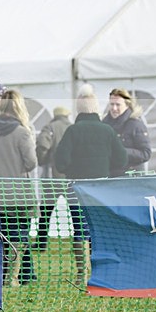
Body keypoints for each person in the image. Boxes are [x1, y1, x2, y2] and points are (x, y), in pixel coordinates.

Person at [55, 84, 127, 284]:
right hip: (101, 189)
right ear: (96, 108)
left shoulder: (72, 131)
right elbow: (122, 160)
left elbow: (60, 163)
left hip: (76, 189)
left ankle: (81, 273)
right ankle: (100, 271)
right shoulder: (107, 131)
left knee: (80, 229)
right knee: (99, 229)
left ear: (78, 109)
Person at [0, 89, 38, 286]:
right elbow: (31, 162)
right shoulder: (22, 132)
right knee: (20, 235)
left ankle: (13, 275)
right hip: (18, 192)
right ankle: (13, 278)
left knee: (1, 234)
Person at [34, 106, 72, 250]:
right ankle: (82, 242)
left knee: (46, 211)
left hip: (52, 177)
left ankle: (41, 242)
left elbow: (42, 145)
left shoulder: (50, 127)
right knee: (76, 212)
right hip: (70, 177)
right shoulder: (72, 127)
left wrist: (42, 160)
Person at [102, 88, 151, 176]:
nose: (114, 108)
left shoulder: (136, 125)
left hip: (131, 177)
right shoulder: (104, 124)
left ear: (127, 105)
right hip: (110, 176)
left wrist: (122, 152)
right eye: (112, 104)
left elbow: (146, 153)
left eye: (118, 105)